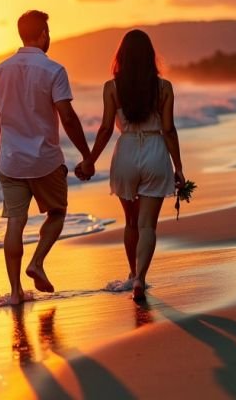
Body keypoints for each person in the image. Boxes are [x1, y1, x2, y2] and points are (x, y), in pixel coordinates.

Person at [0, 10, 94, 306]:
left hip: (10, 160)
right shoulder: (54, 70)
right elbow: (68, 117)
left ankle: (15, 291)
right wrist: (86, 154)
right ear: (43, 34)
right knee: (57, 212)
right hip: (44, 160)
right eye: (48, 31)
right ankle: (36, 262)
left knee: (15, 222)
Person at [76, 29, 184, 302]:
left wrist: (90, 160)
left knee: (131, 222)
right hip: (155, 150)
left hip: (125, 153)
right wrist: (178, 167)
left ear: (121, 56)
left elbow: (104, 129)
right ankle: (140, 279)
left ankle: (132, 272)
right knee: (147, 225)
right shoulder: (164, 88)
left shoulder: (111, 87)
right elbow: (169, 130)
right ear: (150, 57)